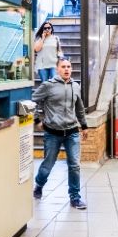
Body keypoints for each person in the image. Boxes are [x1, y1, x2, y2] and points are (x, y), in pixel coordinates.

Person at [32, 58, 89, 209]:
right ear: (57, 69)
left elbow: (80, 108)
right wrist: (37, 120)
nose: (66, 69)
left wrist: (84, 126)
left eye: (69, 67)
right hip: (52, 133)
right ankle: (39, 184)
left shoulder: (75, 86)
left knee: (75, 165)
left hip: (72, 132)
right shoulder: (48, 86)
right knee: (48, 164)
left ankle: (75, 197)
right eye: (63, 67)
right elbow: (33, 100)